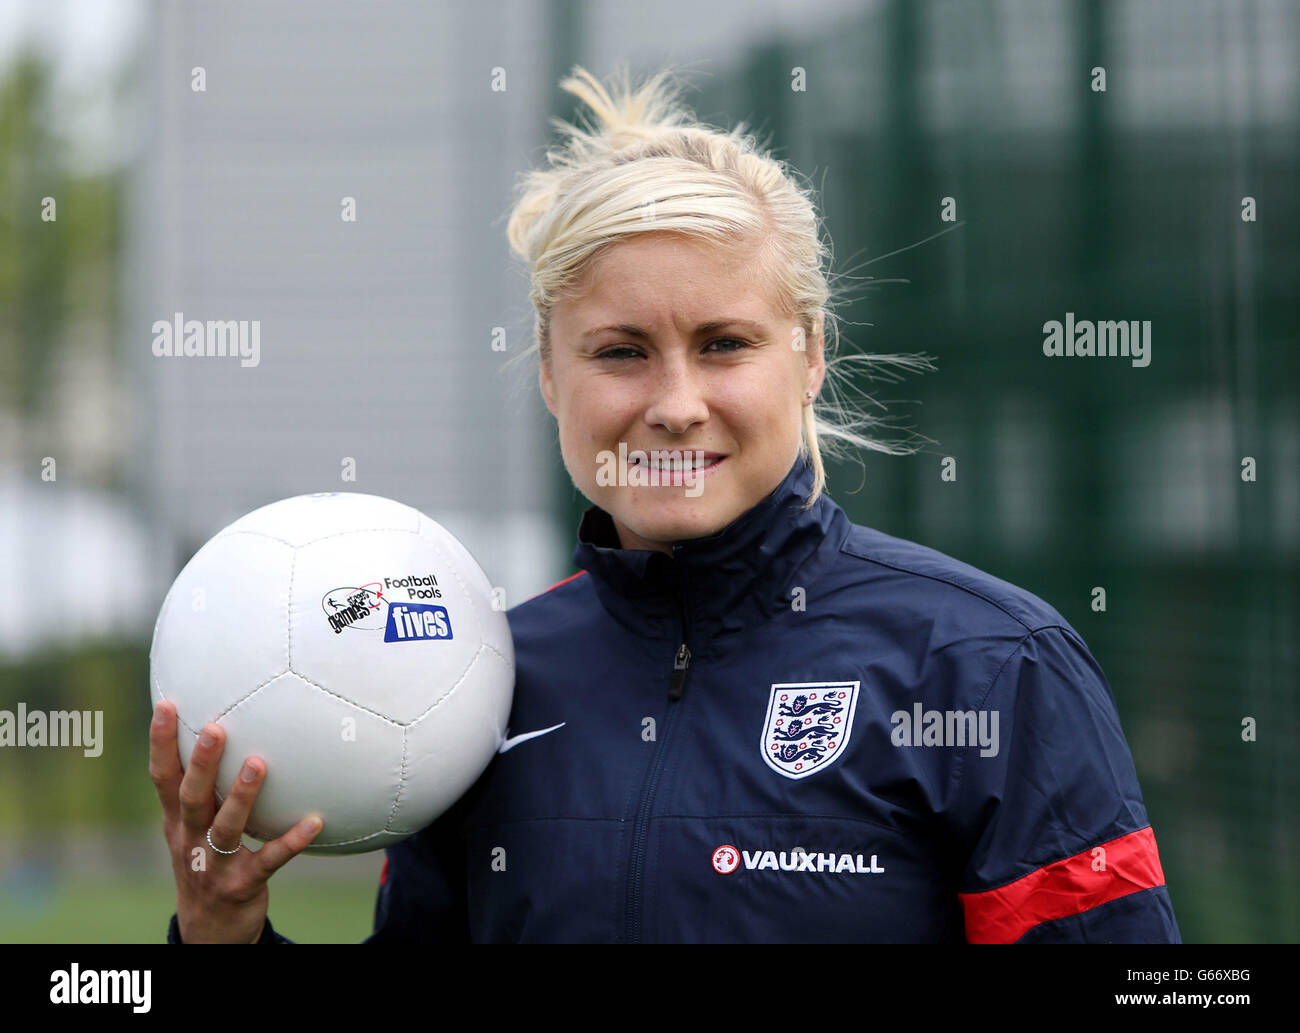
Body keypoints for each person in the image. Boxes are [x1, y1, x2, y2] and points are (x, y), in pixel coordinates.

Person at [153, 64, 1180, 944]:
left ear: (811, 354)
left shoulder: (990, 665)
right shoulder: (464, 685)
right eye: (620, 353)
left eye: (724, 345)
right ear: (550, 374)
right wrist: (223, 936)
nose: (675, 406)